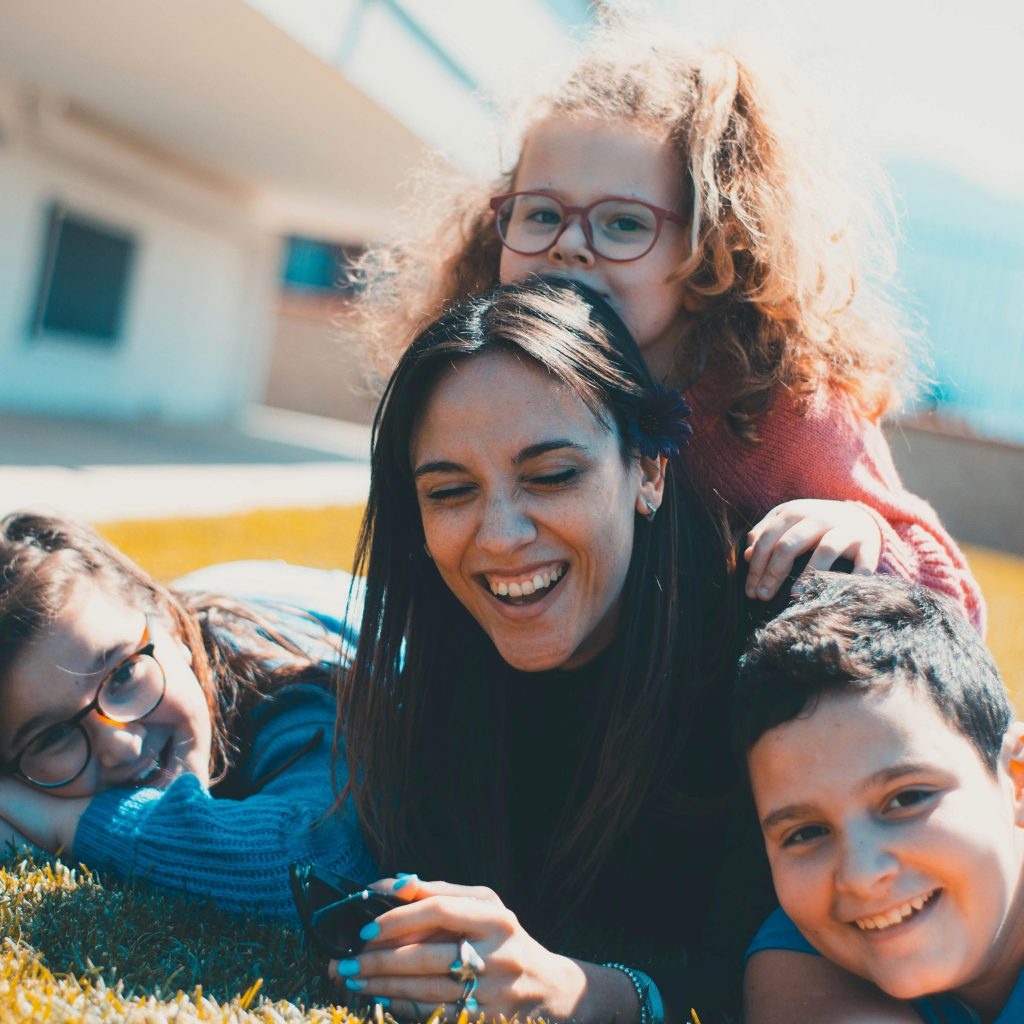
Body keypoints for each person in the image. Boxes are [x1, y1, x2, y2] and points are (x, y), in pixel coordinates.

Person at [354, 28, 984, 633]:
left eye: (624, 223)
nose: (569, 244)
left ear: (711, 249)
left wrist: (865, 535)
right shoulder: (485, 377)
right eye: (542, 212)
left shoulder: (783, 408)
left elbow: (955, 608)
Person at [327, 277, 775, 1024]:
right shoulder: (429, 674)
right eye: (449, 491)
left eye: (553, 476)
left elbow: (796, 982)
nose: (500, 536)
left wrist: (584, 994)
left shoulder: (761, 677)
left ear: (650, 472)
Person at [0, 513, 374, 918]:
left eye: (123, 675)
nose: (120, 745)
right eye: (53, 736)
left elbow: (327, 866)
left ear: (172, 625)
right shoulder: (127, 635)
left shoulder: (299, 695)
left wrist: (66, 823)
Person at [736, 571, 1024, 1023]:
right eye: (807, 832)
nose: (862, 873)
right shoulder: (801, 953)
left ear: (1017, 779)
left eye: (907, 798)